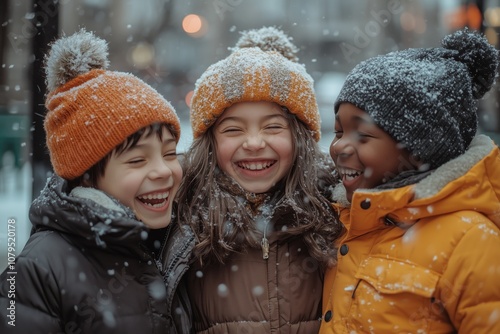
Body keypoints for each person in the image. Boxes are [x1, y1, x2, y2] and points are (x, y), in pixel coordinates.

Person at [0, 29, 193, 333]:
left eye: (169, 153)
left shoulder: (179, 241)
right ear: (88, 178)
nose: (163, 171)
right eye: (137, 160)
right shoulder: (41, 268)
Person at [319, 28, 500, 333]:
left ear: (418, 151)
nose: (339, 146)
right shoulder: (344, 223)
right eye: (338, 132)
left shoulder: (471, 240)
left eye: (363, 135)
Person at [175, 26, 343, 333]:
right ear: (209, 144)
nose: (253, 143)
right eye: (233, 130)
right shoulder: (186, 222)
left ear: (299, 138)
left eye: (273, 127)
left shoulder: (333, 214)